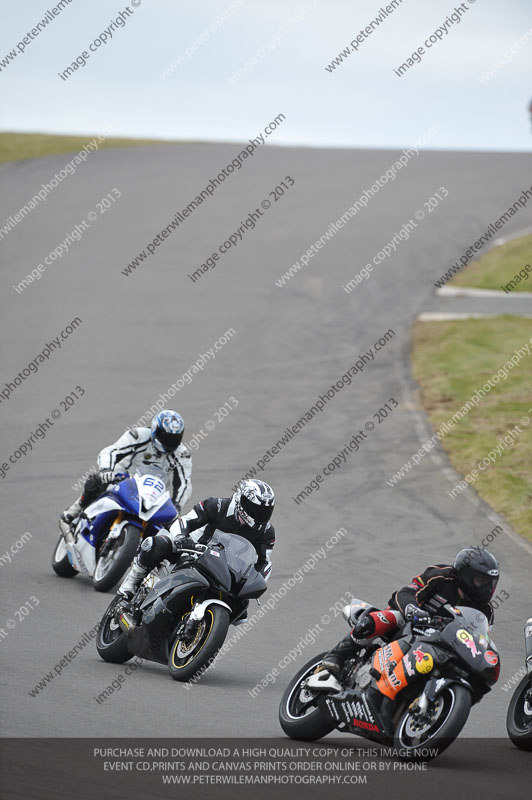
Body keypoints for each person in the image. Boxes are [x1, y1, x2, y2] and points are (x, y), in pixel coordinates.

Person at [320, 546, 500, 678]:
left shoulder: (485, 611)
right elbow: (406, 592)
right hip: (409, 623)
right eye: (481, 580)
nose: (487, 587)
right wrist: (412, 609)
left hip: (439, 644)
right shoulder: (440, 576)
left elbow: (479, 640)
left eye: (491, 582)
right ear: (465, 574)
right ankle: (337, 655)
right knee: (388, 618)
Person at [117, 479, 276, 602]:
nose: (259, 515)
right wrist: (181, 538)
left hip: (223, 570)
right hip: (190, 551)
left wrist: (255, 583)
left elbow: (264, 562)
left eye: (265, 511)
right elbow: (184, 521)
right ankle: (131, 583)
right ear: (241, 500)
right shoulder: (217, 506)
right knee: (155, 544)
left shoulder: (266, 532)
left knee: (241, 604)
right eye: (255, 509)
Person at [60, 410, 192, 531]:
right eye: (166, 437)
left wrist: (176, 506)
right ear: (155, 429)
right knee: (96, 482)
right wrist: (106, 471)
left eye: (175, 438)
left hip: (153, 491)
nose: (170, 442)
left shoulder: (182, 454)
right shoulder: (138, 436)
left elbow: (184, 484)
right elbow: (111, 451)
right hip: (124, 478)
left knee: (168, 527)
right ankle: (74, 511)